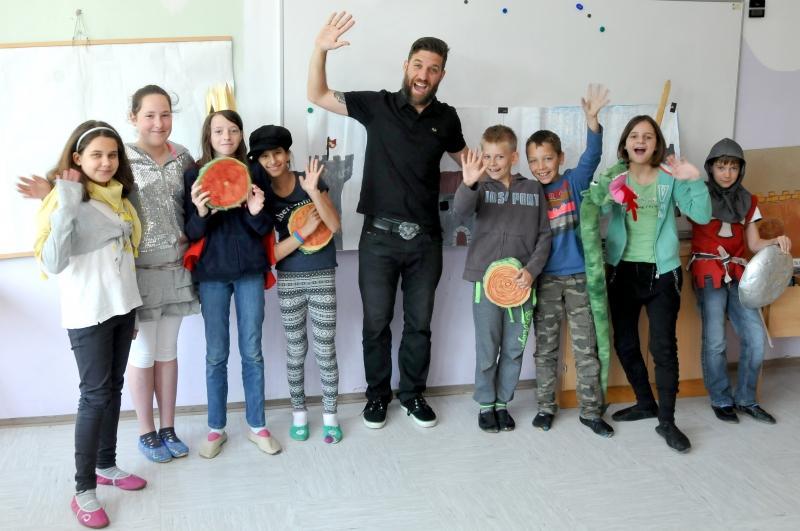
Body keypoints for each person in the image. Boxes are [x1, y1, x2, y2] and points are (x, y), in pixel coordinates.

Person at [18, 85, 200, 464]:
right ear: (133, 117)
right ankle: (147, 432)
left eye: (165, 114)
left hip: (176, 266)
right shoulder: (121, 155)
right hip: (135, 271)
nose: (158, 122)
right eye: (149, 115)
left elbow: (191, 205)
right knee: (143, 355)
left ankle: (168, 428)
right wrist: (53, 190)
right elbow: (89, 192)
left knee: (168, 352)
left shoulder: (183, 157)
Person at [308, 12, 467, 429]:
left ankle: (413, 396)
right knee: (376, 324)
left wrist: (483, 174)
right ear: (406, 66)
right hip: (378, 239)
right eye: (418, 65)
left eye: (433, 69)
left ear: (441, 75)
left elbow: (467, 161)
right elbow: (318, 94)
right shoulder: (376, 105)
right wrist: (320, 49)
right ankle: (377, 397)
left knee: (419, 326)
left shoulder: (447, 118)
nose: (424, 74)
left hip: (426, 242)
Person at [35, 121, 147, 528]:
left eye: (112, 155)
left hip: (121, 308)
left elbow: (126, 257)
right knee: (95, 396)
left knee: (113, 389)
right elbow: (53, 261)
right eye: (97, 155)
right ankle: (83, 490)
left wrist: (133, 309)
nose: (106, 162)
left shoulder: (120, 200)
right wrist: (66, 200)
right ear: (77, 158)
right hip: (88, 313)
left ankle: (106, 466)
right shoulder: (64, 200)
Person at [588, 115, 711, 453]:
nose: (640, 140)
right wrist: (605, 194)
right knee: (625, 343)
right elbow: (593, 209)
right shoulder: (616, 176)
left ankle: (667, 421)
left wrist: (694, 179)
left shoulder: (670, 177)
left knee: (663, 347)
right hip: (622, 272)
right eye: (634, 135)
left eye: (648, 136)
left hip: (663, 273)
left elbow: (701, 215)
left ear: (656, 144)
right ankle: (645, 402)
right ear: (625, 143)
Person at [184, 110, 280, 458]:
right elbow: (191, 231)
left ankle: (258, 425)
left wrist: (255, 212)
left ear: (241, 135)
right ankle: (215, 428)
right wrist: (201, 212)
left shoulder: (255, 171)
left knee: (252, 351)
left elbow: (265, 227)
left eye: (233, 130)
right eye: (219, 130)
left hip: (250, 271)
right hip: (212, 275)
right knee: (216, 354)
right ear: (208, 136)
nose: (226, 136)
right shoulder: (194, 174)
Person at [527, 85, 614, 437]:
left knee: (586, 349)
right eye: (534, 161)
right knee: (545, 350)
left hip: (579, 278)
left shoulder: (574, 183)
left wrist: (592, 122)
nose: (541, 166)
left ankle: (591, 411)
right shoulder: (529, 193)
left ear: (560, 158)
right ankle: (545, 407)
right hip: (544, 280)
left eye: (547, 158)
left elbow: (592, 156)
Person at [454, 125, 551, 432]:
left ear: (514, 157)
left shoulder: (533, 190)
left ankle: (502, 403)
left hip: (521, 284)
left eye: (499, 156)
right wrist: (468, 183)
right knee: (488, 346)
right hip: (486, 284)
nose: (493, 162)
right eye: (487, 156)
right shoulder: (480, 187)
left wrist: (531, 270)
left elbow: (545, 235)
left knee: (513, 347)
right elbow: (460, 212)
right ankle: (486, 404)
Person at [251, 124, 344, 443]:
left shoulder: (310, 181)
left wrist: (314, 191)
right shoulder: (260, 196)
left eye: (277, 152)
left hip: (323, 274)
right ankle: (299, 415)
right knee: (295, 351)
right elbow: (272, 254)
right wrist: (302, 233)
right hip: (289, 279)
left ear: (287, 153)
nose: (273, 160)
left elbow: (334, 225)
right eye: (264, 156)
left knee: (325, 349)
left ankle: (331, 417)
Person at [689, 138, 792, 425]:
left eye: (733, 167)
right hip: (708, 272)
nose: (727, 173)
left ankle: (746, 399)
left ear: (741, 170)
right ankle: (721, 399)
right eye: (721, 166)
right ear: (711, 168)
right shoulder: (698, 194)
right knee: (715, 341)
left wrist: (777, 241)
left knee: (755, 337)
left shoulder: (748, 200)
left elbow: (754, 243)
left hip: (738, 275)